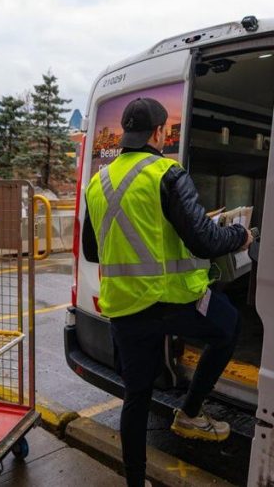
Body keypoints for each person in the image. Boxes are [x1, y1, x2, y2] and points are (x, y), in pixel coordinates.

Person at [82, 97, 253, 487]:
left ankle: (136, 481)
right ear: (159, 133)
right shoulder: (167, 174)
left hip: (125, 310)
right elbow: (206, 241)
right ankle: (190, 412)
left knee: (136, 396)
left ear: (127, 134)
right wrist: (239, 235)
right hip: (176, 302)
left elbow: (93, 250)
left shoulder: (98, 182)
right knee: (227, 327)